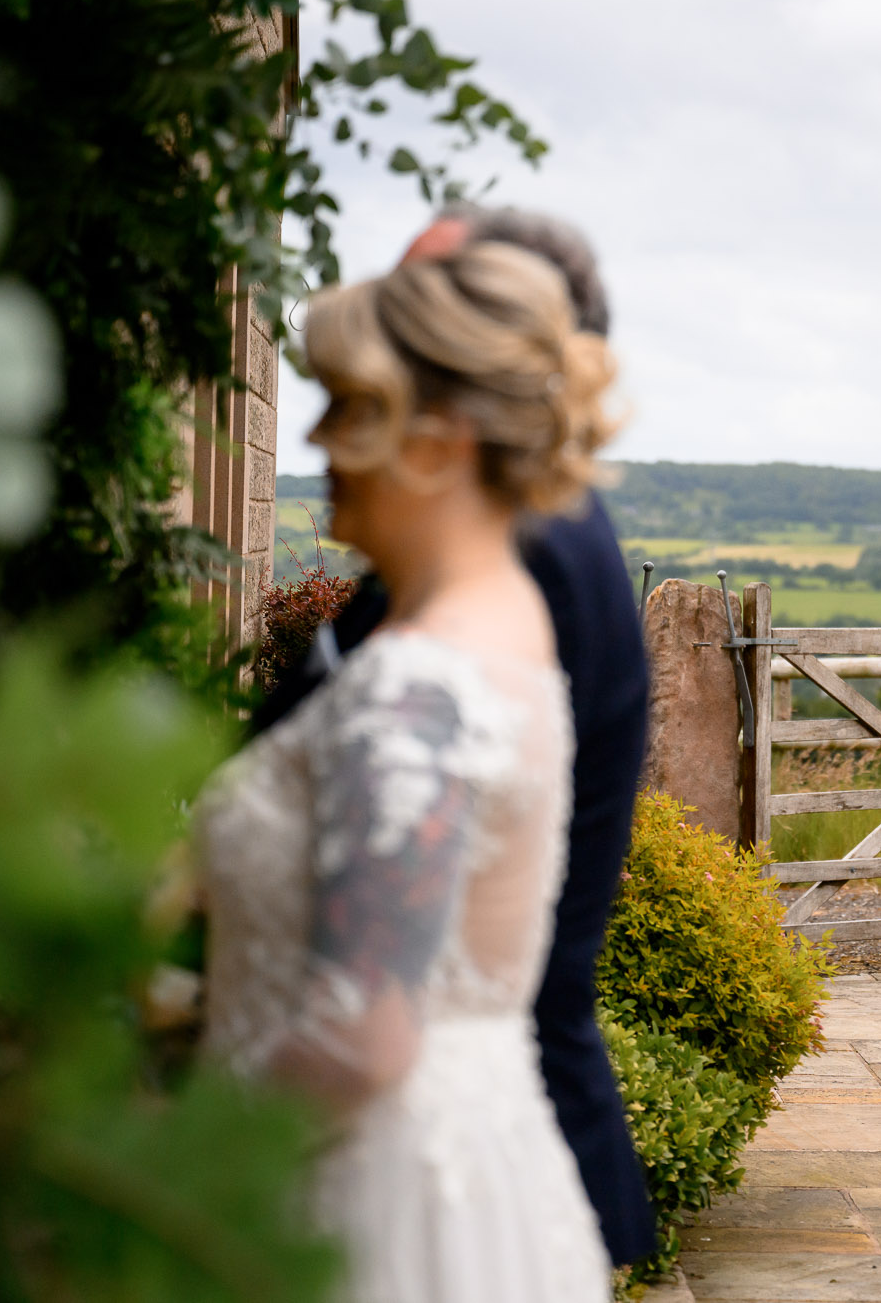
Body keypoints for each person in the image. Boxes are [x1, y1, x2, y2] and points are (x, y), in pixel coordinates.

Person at [198, 240, 616, 1298]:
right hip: (480, 1167)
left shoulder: (415, 688)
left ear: (433, 441)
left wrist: (153, 1142)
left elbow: (364, 1029)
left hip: (360, 1201)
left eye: (344, 408)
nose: (316, 438)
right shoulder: (503, 628)